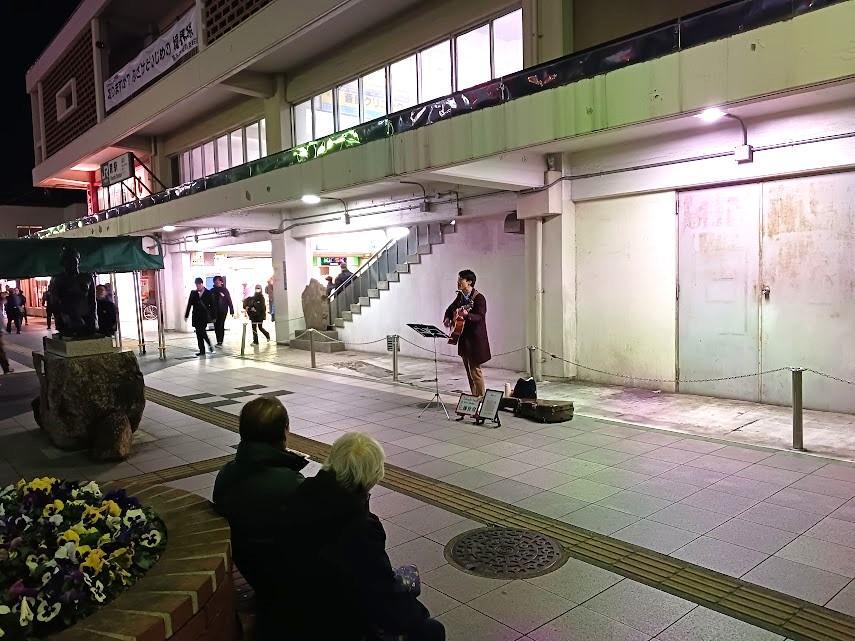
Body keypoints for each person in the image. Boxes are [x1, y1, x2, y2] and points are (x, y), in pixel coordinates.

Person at [281, 433, 445, 641]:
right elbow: (381, 597)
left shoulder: (302, 495)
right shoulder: (360, 529)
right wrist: (417, 614)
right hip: (336, 622)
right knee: (431, 629)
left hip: (294, 608)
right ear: (373, 476)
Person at [213, 397, 308, 641]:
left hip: (251, 570)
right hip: (291, 579)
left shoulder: (225, 476)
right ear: (284, 432)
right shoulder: (294, 486)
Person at [443, 269, 491, 397]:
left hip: (475, 340)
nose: (458, 282)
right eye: (458, 279)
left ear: (469, 282)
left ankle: (481, 399)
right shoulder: (460, 296)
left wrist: (467, 315)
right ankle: (474, 397)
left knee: (475, 371)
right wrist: (447, 318)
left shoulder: (479, 298)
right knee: (469, 373)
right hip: (464, 340)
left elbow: (480, 316)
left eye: (460, 280)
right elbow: (450, 309)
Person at [184, 277, 215, 356]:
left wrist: (213, 316)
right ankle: (202, 350)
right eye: (196, 285)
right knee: (198, 333)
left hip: (204, 316)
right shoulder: (193, 293)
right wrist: (186, 315)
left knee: (202, 331)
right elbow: (189, 304)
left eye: (199, 284)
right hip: (196, 316)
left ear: (202, 284)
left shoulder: (208, 293)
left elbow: (212, 305)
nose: (197, 286)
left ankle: (209, 345)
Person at [211, 276, 234, 347]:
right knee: (216, 326)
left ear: (221, 282)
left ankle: (220, 342)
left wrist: (231, 310)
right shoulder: (212, 290)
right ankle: (218, 340)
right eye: (215, 281)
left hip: (223, 310)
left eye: (218, 281)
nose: (217, 282)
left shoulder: (224, 290)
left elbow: (229, 300)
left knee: (221, 325)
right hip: (214, 311)